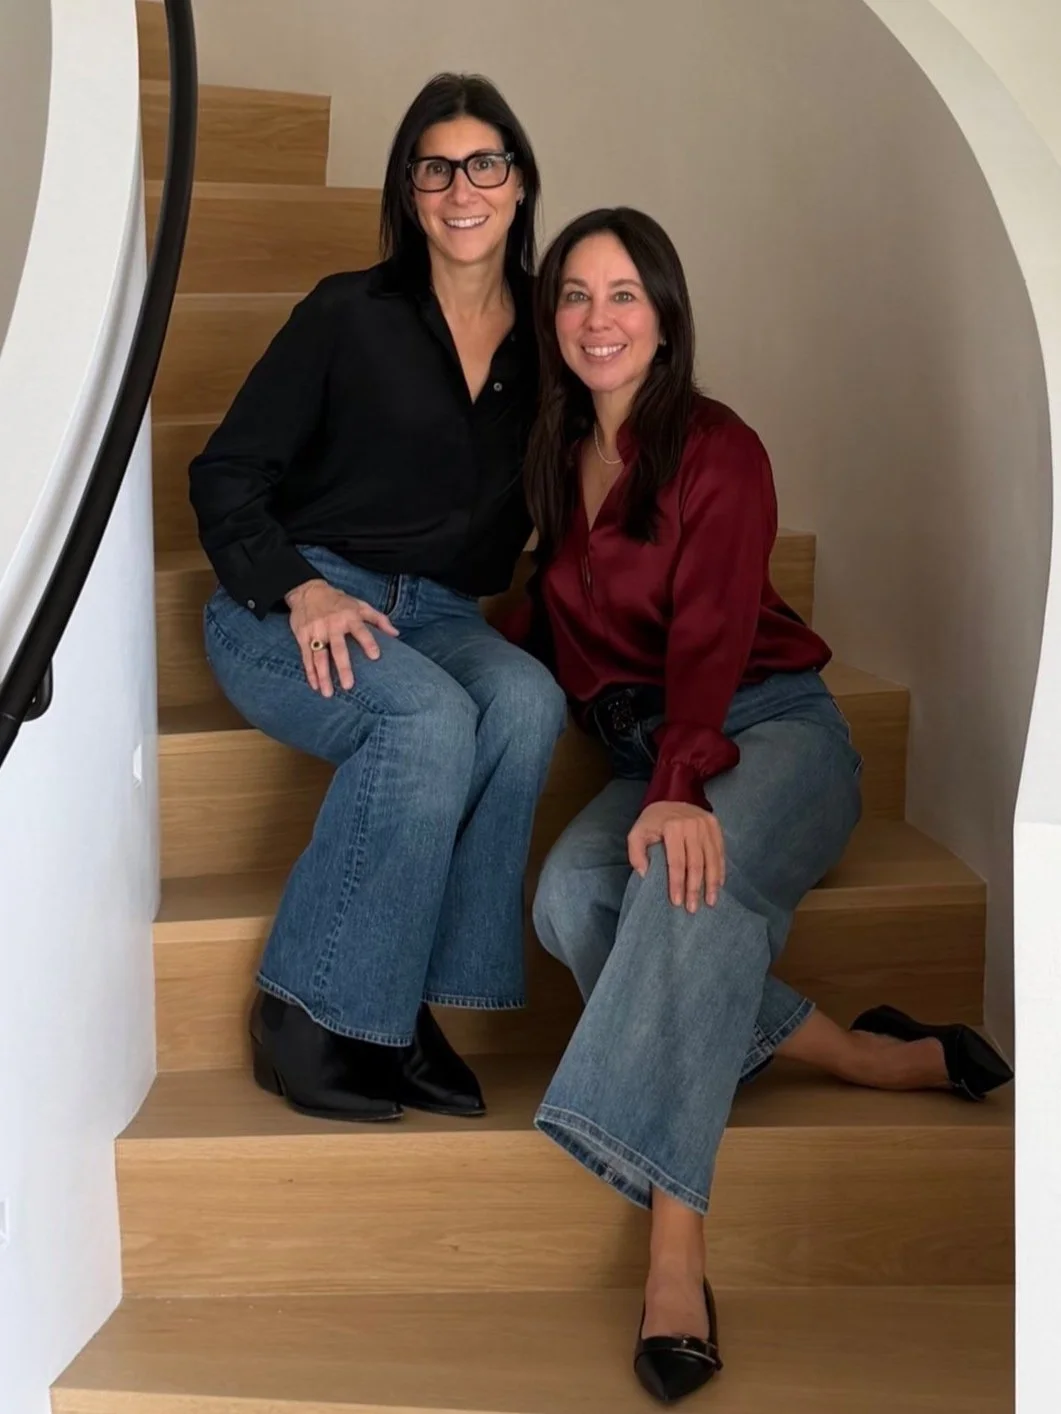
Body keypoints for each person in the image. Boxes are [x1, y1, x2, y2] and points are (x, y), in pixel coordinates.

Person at [509, 207, 1014, 1404]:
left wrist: (682, 788)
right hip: (653, 749)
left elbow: (710, 633)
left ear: (664, 315)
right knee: (567, 896)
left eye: (622, 294)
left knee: (680, 886)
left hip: (768, 725)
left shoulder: (717, 448)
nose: (596, 318)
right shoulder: (551, 456)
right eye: (574, 295)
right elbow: (547, 623)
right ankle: (855, 1051)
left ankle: (673, 1247)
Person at [188, 74, 567, 1125]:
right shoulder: (346, 313)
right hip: (294, 602)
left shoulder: (549, 341)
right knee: (428, 720)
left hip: (439, 613)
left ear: (519, 182)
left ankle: (397, 1007)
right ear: (408, 191)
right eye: (434, 169)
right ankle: (304, 1008)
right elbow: (224, 474)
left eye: (483, 164)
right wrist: (299, 588)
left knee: (527, 701)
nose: (461, 189)